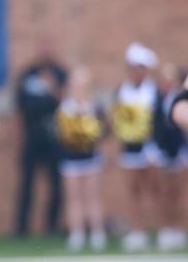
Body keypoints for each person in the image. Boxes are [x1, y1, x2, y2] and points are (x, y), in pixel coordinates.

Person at [14, 38, 66, 237]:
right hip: (32, 136)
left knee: (56, 184)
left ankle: (51, 227)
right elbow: (19, 109)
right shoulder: (27, 74)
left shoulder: (60, 74)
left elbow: (68, 102)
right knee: (27, 184)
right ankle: (21, 229)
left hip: (54, 136)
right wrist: (19, 139)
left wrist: (52, 87)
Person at [112, 42, 158, 251]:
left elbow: (157, 122)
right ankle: (137, 231)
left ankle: (157, 229)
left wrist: (152, 148)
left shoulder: (153, 92)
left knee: (153, 189)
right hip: (129, 149)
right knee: (132, 190)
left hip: (151, 149)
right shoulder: (122, 90)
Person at [56, 66, 107, 251]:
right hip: (71, 159)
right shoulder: (64, 108)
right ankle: (76, 234)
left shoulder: (94, 106)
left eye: (82, 85)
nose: (78, 89)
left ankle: (97, 234)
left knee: (92, 197)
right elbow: (60, 134)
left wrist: (92, 136)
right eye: (75, 85)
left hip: (91, 157)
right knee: (73, 198)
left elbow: (104, 130)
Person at [151, 63, 186, 252]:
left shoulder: (180, 99)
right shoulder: (156, 99)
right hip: (161, 151)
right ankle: (166, 228)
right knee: (163, 192)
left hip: (179, 151)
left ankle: (179, 228)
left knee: (178, 192)